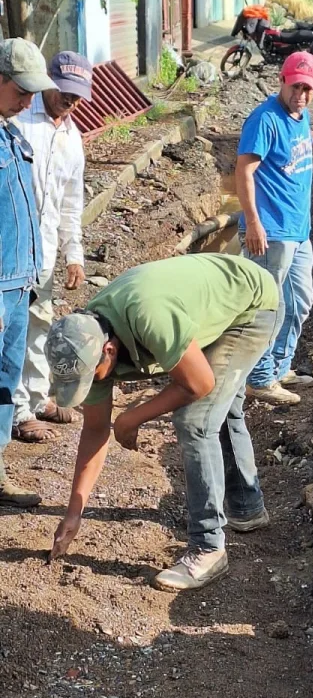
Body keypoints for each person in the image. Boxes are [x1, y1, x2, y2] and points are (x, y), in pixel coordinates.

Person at [44, 254, 280, 591]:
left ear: (109, 351)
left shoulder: (147, 315)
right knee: (220, 408)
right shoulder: (84, 341)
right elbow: (95, 429)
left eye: (89, 377)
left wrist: (131, 418)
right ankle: (246, 506)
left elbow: (199, 384)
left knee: (195, 419)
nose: (89, 385)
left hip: (251, 305)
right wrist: (74, 511)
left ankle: (208, 549)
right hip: (210, 302)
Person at [235, 50, 313, 407]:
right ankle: (258, 379)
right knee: (266, 307)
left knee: (299, 303)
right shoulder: (265, 120)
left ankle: (278, 367)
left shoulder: (299, 115)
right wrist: (254, 223)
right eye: (296, 87)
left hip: (298, 231)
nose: (301, 95)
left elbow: (308, 139)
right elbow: (244, 171)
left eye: (308, 89)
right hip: (271, 232)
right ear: (282, 80)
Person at [12, 51, 92, 442]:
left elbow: (70, 203)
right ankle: (19, 410)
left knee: (40, 323)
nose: (70, 100)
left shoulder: (73, 140)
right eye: (65, 91)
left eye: (77, 95)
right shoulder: (20, 122)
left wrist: (73, 254)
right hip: (10, 248)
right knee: (13, 329)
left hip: (41, 252)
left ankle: (37, 396)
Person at [0, 39, 53, 507]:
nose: (29, 102)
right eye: (21, 91)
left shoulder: (10, 133)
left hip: (19, 284)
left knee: (4, 383)